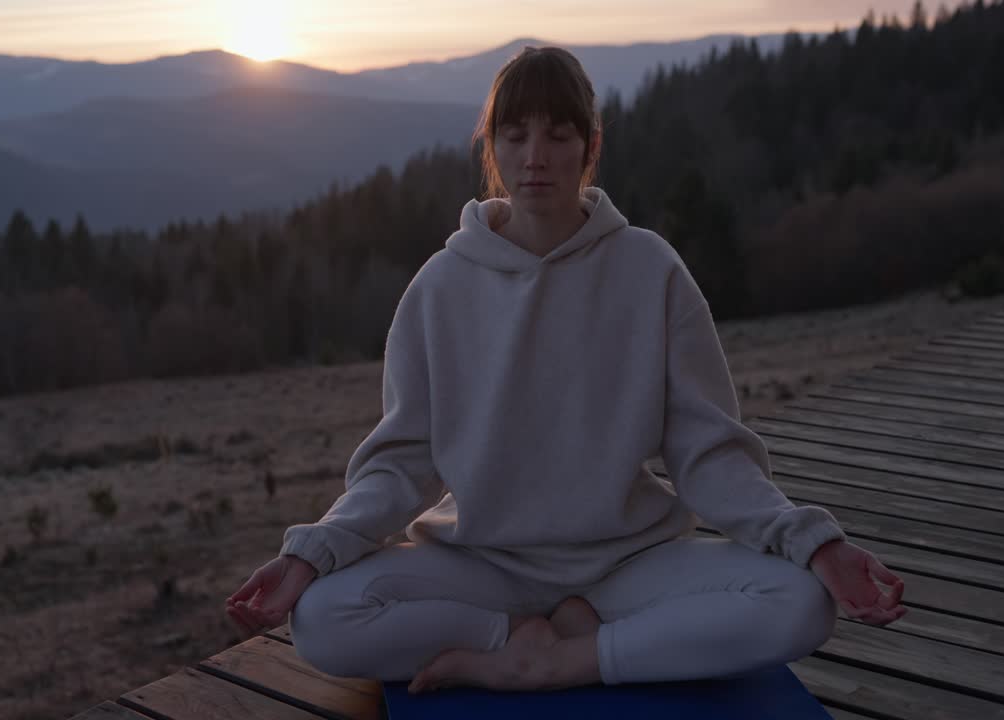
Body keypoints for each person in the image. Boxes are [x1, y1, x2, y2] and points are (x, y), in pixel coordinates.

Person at [224, 45, 906, 695]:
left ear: (590, 145)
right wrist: (312, 553)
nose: (535, 158)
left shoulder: (650, 270)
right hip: (479, 566)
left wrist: (811, 541)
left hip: (627, 565)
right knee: (321, 618)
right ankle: (517, 638)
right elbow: (400, 466)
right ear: (491, 149)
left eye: (557, 134)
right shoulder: (440, 287)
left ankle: (568, 662)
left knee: (801, 604)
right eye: (515, 136)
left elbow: (708, 454)